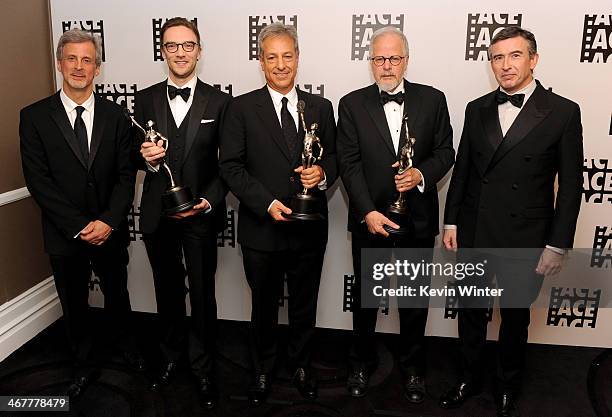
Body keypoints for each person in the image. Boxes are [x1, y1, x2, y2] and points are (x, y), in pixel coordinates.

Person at [440, 27, 583, 417]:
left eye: (514, 56)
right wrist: (451, 222)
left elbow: (570, 186)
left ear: (533, 59)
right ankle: (468, 377)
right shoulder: (477, 108)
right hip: (474, 230)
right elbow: (464, 170)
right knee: (470, 313)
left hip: (527, 236)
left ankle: (508, 384)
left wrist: (557, 244)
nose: (505, 65)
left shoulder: (563, 111)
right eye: (498, 57)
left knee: (515, 318)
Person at [219, 22, 337, 406]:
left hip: (309, 226)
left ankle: (301, 366)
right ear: (261, 61)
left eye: (288, 56)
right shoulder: (240, 108)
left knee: (305, 304)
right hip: (262, 228)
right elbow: (231, 166)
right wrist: (267, 203)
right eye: (272, 57)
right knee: (263, 307)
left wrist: (323, 174)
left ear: (298, 59)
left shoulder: (320, 107)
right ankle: (263, 368)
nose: (281, 64)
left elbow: (335, 158)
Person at [20, 29, 141, 399]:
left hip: (109, 228)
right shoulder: (34, 116)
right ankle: (83, 365)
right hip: (64, 232)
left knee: (117, 294)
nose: (78, 66)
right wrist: (77, 226)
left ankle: (127, 351)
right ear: (59, 64)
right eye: (71, 58)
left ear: (98, 68)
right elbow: (38, 181)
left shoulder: (117, 115)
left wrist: (107, 221)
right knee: (74, 305)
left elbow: (125, 175)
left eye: (87, 60)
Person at [336, 26, 454, 402]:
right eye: (379, 59)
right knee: (367, 300)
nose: (387, 66)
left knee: (415, 301)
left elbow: (446, 151)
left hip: (417, 220)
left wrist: (422, 174)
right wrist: (367, 211)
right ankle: (360, 362)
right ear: (370, 62)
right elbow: (349, 164)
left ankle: (414, 368)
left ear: (406, 59)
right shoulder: (351, 104)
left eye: (394, 58)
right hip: (371, 222)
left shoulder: (433, 100)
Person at [134, 17, 231, 409]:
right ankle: (173, 357)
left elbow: (231, 163)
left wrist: (209, 199)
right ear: (162, 51)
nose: (180, 52)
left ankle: (204, 366)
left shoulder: (220, 101)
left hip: (202, 215)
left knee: (203, 295)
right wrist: (147, 160)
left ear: (199, 50)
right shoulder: (144, 98)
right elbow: (129, 155)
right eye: (172, 45)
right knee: (167, 291)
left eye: (187, 45)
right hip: (159, 214)